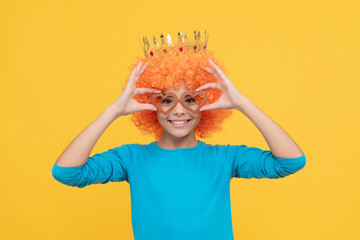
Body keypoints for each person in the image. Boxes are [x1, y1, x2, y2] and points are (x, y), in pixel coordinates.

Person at [52, 31, 306, 240]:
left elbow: (291, 161)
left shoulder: (225, 158)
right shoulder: (131, 158)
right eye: (166, 100)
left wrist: (242, 103)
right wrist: (113, 110)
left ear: (205, 104)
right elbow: (66, 172)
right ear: (151, 105)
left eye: (189, 99)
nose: (178, 110)